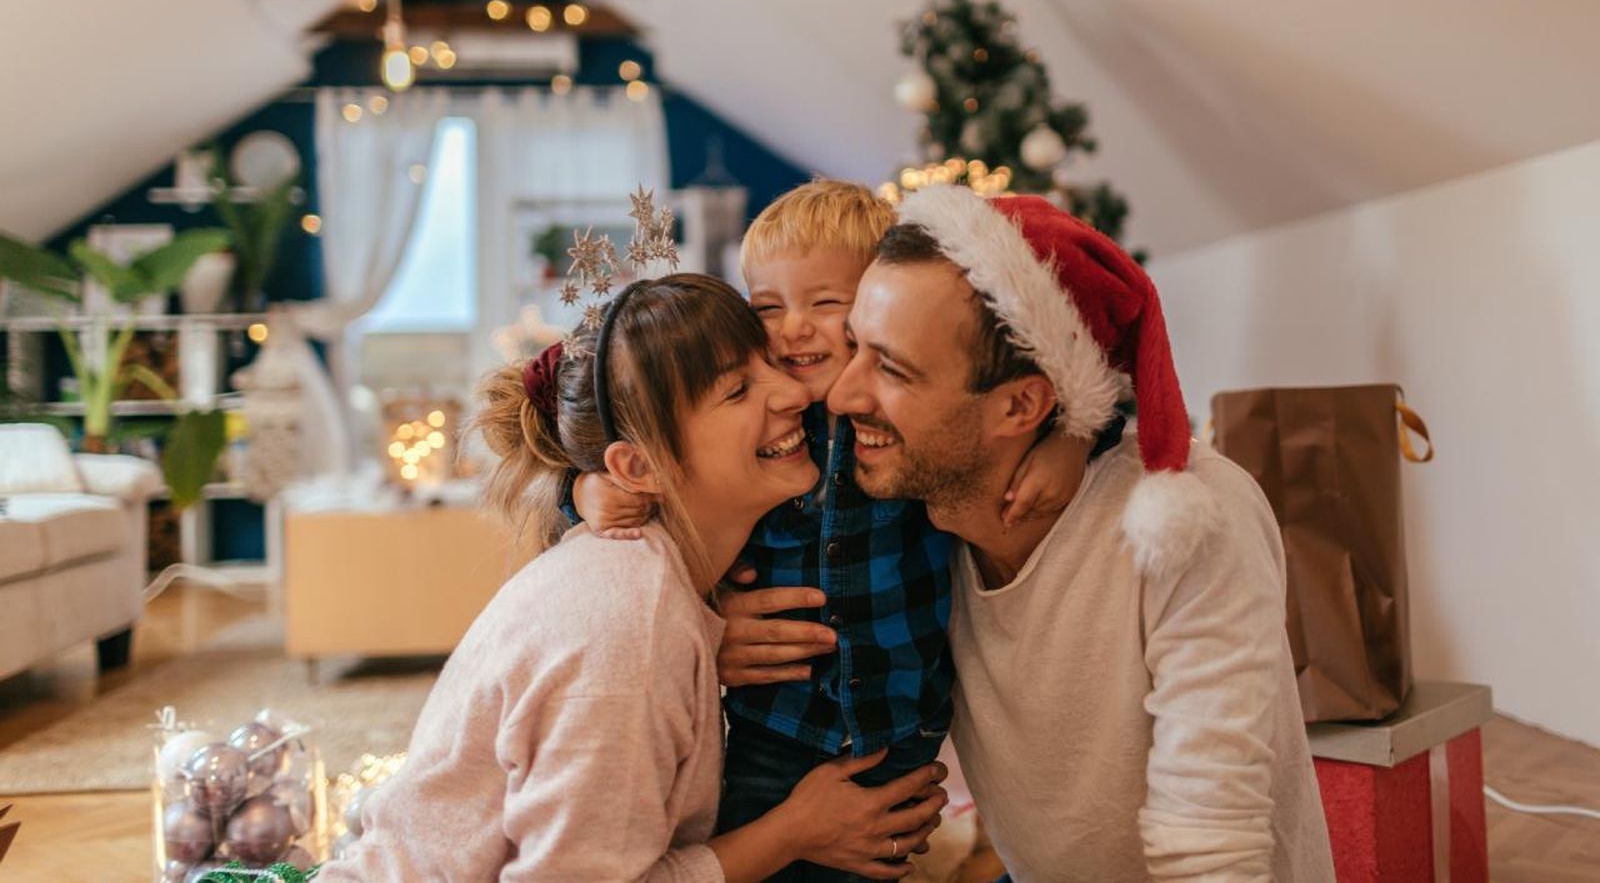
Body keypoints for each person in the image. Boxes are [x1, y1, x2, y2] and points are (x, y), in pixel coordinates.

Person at [320, 273, 948, 882]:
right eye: (737, 391)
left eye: (772, 366)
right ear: (638, 468)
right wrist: (789, 833)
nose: (792, 394)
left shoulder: (648, 575)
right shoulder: (632, 622)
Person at [818, 187, 1338, 882]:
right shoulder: (905, 513)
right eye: (853, 346)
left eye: (891, 368)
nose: (842, 395)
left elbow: (1211, 840)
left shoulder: (1187, 518)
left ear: (1022, 405)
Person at [573, 182, 1078, 881]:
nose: (792, 330)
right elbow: (657, 477)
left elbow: (1064, 398)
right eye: (767, 308)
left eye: (824, 303)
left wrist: (1068, 444)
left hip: (902, 735)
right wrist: (586, 490)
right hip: (774, 732)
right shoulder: (765, 428)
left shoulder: (921, 420)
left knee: (879, 860)